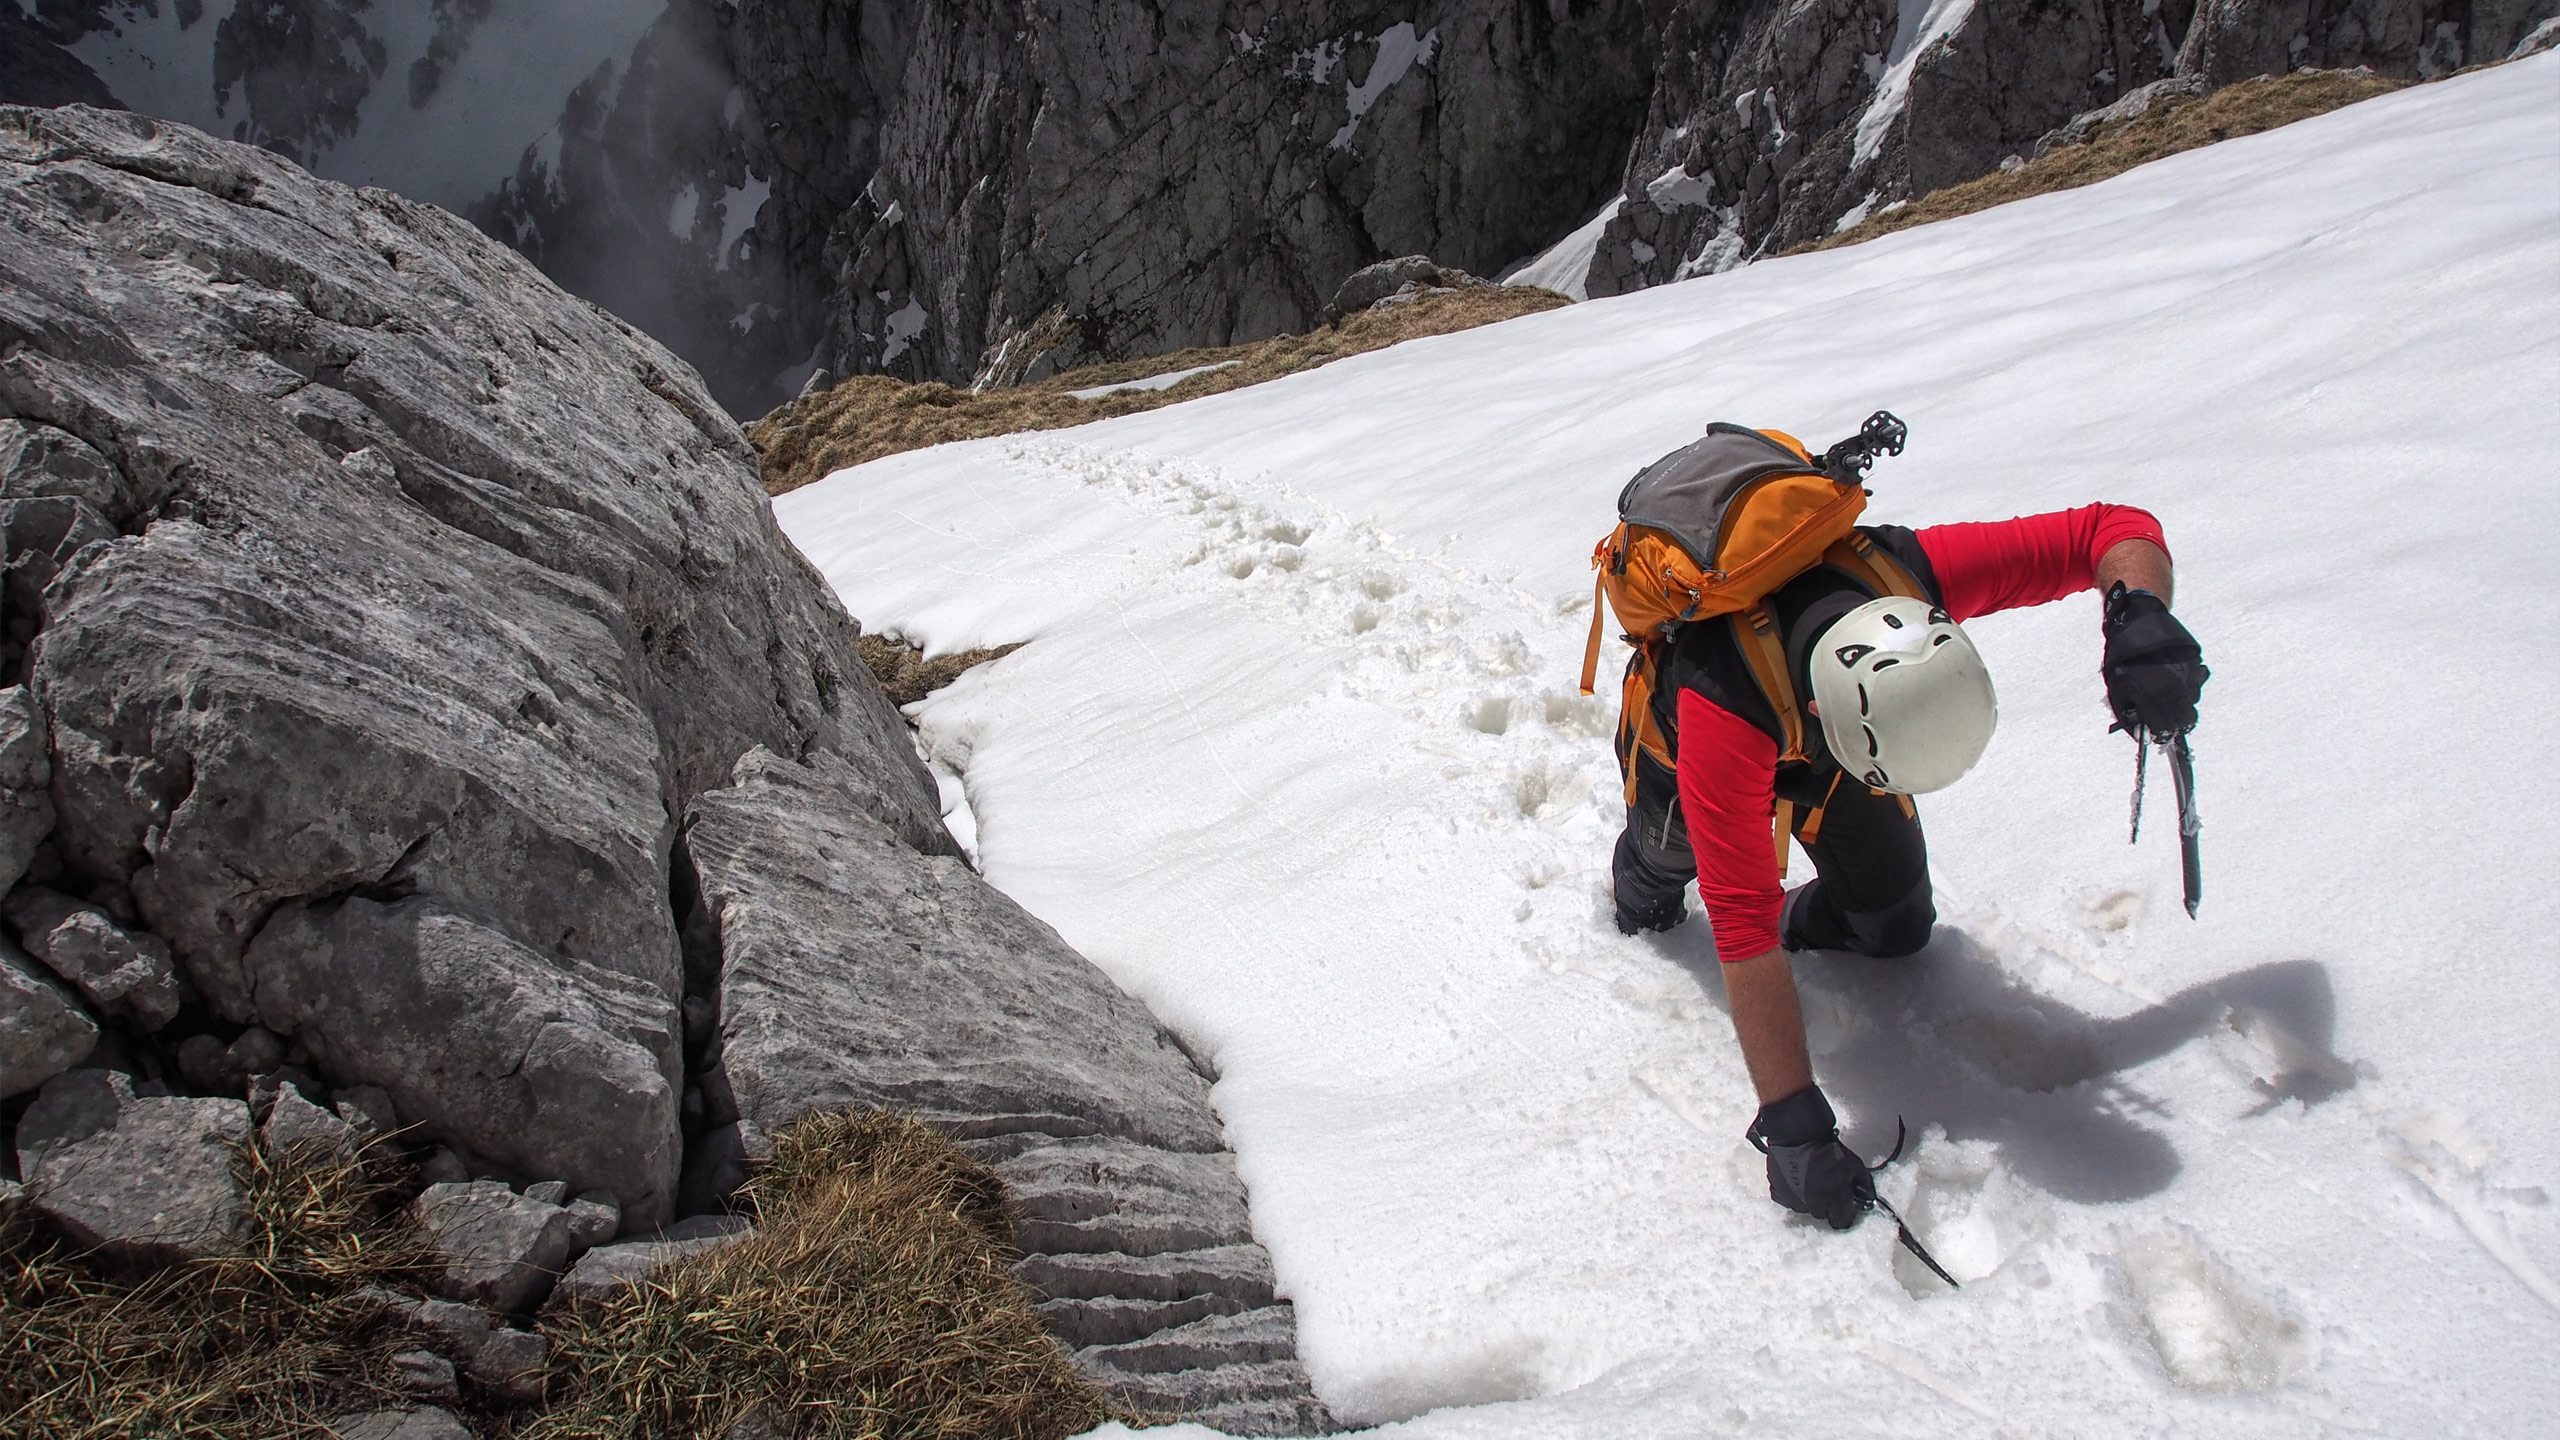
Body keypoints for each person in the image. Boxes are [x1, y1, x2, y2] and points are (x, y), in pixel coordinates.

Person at [1604, 428, 2209, 1229]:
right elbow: (1741, 932)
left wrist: (2138, 617)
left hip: (1831, 752)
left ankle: (1815, 907)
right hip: (1685, 764)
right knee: (1662, 869)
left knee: (1895, 928)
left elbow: (2113, 527)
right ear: (1831, 718)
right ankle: (1637, 884)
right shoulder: (1724, 709)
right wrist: (1792, 1126)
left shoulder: (1907, 574)